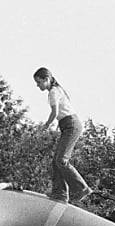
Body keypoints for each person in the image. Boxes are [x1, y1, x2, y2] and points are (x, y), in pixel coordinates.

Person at [33, 67, 93, 203]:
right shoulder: (55, 91)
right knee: (56, 161)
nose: (38, 85)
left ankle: (81, 188)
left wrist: (46, 125)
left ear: (47, 79)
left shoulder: (53, 92)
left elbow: (54, 113)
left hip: (71, 124)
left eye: (39, 82)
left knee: (61, 160)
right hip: (67, 125)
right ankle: (60, 194)